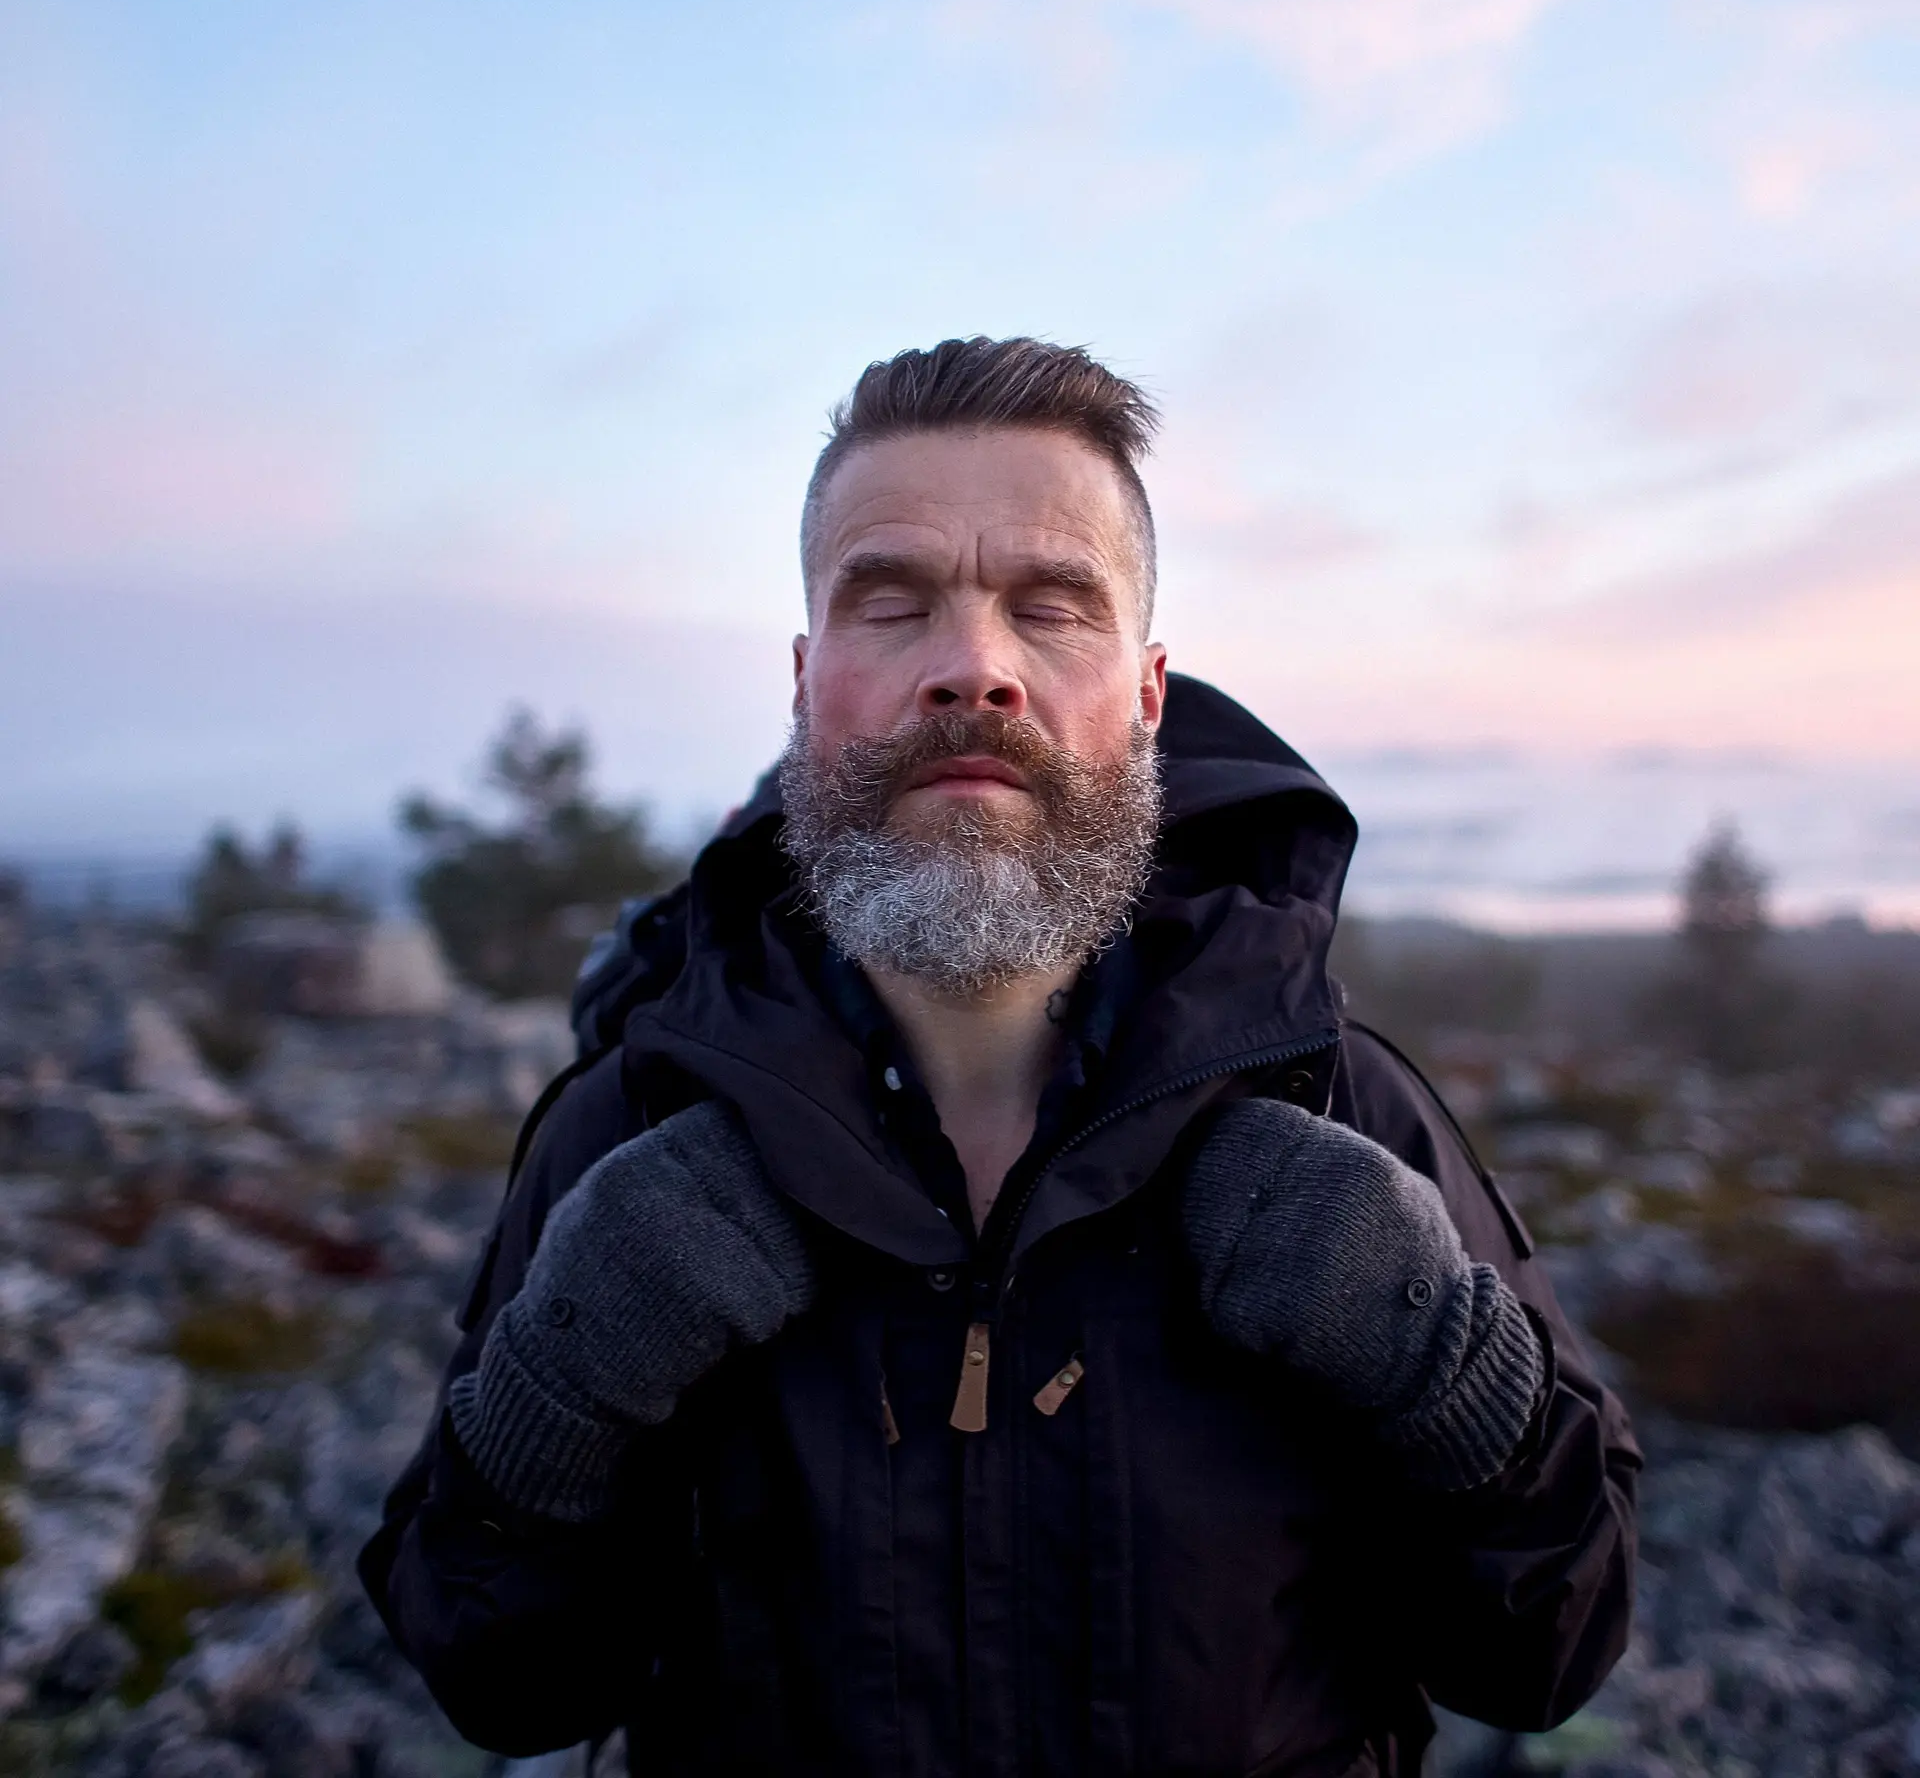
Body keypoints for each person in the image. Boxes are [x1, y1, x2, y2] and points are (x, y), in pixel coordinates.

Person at [361, 337, 1638, 1778]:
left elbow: (1551, 1648)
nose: (973, 668)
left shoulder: (1342, 1108)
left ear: (1148, 695)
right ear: (806, 682)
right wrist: (560, 1400)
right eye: (891, 603)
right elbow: (497, 1684)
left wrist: (1443, 1371)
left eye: (1051, 607)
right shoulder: (636, 1127)